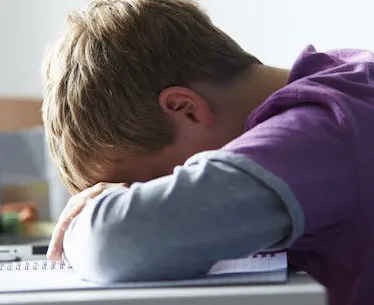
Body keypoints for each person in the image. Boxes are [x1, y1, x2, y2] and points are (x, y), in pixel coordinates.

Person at [41, 1, 374, 305]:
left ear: (186, 110)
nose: (152, 199)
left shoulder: (325, 130)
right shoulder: (345, 84)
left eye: (152, 186)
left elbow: (113, 242)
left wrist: (85, 220)